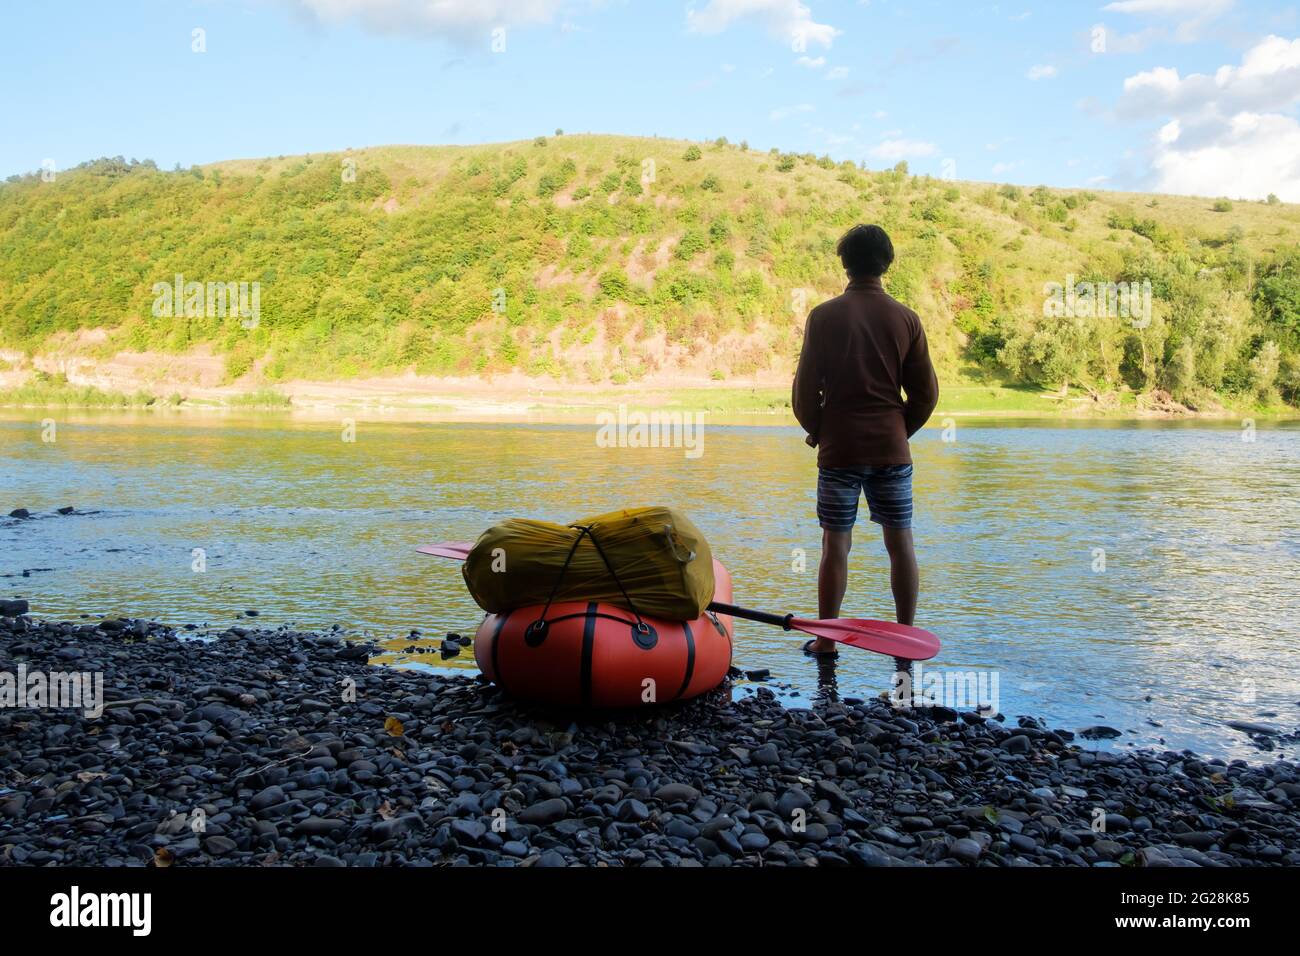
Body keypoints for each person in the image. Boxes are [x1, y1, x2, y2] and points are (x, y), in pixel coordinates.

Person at [792, 224, 939, 659]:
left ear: (844, 263)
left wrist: (819, 430)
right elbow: (926, 395)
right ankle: (906, 638)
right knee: (901, 543)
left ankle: (825, 640)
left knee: (835, 544)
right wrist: (898, 431)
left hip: (839, 451)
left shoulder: (823, 316)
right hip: (892, 451)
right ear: (887, 263)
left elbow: (803, 392)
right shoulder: (907, 318)